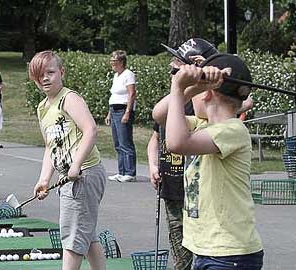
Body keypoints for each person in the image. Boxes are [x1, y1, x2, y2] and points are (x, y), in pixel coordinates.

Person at [153, 54, 264, 270]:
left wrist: (179, 88)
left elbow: (176, 143)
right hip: (209, 251)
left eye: (198, 91)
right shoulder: (202, 125)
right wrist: (192, 88)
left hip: (229, 254)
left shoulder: (233, 130)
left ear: (208, 95)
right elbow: (159, 115)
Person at [29, 51, 106, 270]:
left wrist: (76, 164)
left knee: (72, 237)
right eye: (39, 74)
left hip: (85, 174)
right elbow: (50, 147)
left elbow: (91, 129)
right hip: (69, 177)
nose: (45, 78)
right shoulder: (43, 108)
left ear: (61, 72)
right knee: (86, 234)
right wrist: (44, 179)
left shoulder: (69, 98)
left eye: (50, 72)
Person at [148, 38, 219, 270]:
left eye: (179, 63)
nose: (173, 67)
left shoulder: (202, 104)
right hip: (173, 187)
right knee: (181, 258)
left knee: (199, 257)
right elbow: (157, 125)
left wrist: (201, 79)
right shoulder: (175, 100)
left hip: (200, 196)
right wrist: (152, 165)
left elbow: (207, 109)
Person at [104, 50, 137, 183]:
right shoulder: (116, 76)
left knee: (125, 142)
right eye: (111, 61)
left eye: (114, 61)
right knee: (118, 143)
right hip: (114, 109)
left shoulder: (128, 74)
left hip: (123, 109)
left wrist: (127, 112)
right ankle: (121, 171)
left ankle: (130, 172)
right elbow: (114, 96)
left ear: (121, 62)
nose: (112, 63)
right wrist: (109, 113)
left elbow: (132, 94)